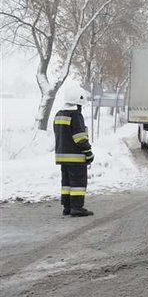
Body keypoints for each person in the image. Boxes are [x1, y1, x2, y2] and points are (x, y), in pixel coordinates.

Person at [54, 84, 94, 217]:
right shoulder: (75, 115)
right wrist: (88, 151)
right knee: (78, 183)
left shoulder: (59, 114)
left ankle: (67, 207)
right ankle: (77, 208)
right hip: (76, 157)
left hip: (62, 156)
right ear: (79, 102)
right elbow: (79, 137)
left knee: (66, 183)